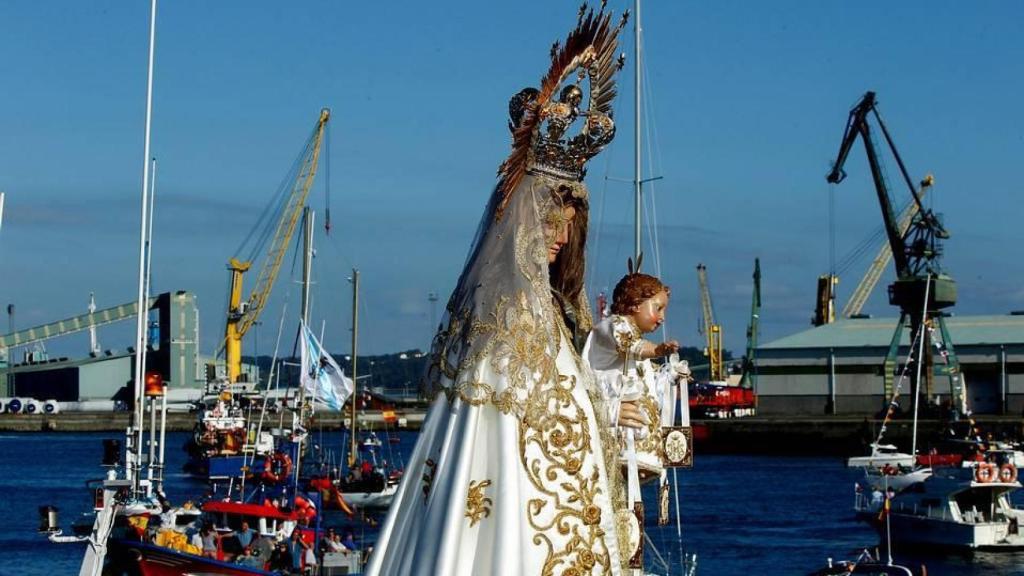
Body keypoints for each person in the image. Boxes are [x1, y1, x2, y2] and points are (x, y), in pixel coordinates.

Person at [364, 5, 630, 575]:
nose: (559, 238)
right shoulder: (495, 335)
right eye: (549, 223)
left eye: (568, 227)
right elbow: (492, 453)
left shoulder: (555, 319)